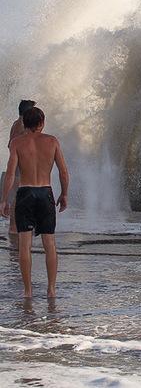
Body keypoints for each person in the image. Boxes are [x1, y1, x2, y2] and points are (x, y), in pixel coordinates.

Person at [0, 107, 69, 298]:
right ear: (42, 123)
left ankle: (28, 291)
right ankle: (51, 289)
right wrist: (64, 194)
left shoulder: (17, 143)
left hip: (25, 193)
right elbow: (63, 172)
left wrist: (4, 200)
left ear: (24, 123)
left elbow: (11, 174)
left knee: (24, 244)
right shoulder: (52, 141)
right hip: (45, 193)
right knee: (49, 243)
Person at [2, 100, 36, 244]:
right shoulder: (22, 125)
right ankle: (15, 229)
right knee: (18, 196)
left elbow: (10, 144)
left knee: (19, 195)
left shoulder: (17, 123)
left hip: (17, 163)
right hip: (19, 165)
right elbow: (15, 144)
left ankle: (15, 228)